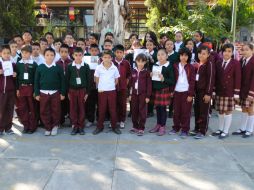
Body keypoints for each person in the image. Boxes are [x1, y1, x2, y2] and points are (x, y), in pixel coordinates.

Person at [212, 43, 241, 139]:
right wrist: (214, 90)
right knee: (220, 111)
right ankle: (220, 129)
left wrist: (236, 93)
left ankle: (226, 130)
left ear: (232, 53)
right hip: (220, 91)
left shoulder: (236, 63)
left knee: (228, 111)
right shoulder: (218, 62)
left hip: (230, 91)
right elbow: (216, 78)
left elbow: (237, 79)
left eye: (229, 51)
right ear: (221, 52)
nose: (226, 53)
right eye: (225, 51)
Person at [34, 48, 66, 136]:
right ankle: (47, 127)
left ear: (55, 56)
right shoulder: (40, 67)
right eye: (47, 55)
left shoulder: (58, 68)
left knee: (56, 110)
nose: (49, 57)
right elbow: (36, 81)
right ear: (44, 56)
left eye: (52, 55)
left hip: (55, 92)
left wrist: (62, 93)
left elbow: (63, 81)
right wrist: (36, 93)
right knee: (44, 110)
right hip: (43, 93)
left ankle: (55, 126)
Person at [93, 50, 121, 135]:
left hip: (112, 91)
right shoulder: (98, 67)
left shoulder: (114, 67)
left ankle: (114, 126)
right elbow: (96, 79)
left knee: (112, 109)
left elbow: (116, 80)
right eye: (105, 57)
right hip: (102, 91)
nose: (107, 59)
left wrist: (110, 86)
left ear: (112, 58)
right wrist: (102, 87)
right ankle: (99, 126)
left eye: (109, 57)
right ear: (102, 58)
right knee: (101, 109)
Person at [169, 47, 195, 138]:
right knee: (176, 111)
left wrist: (191, 94)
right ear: (179, 56)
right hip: (176, 92)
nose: (183, 57)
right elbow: (172, 79)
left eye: (185, 55)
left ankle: (185, 129)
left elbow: (192, 81)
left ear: (188, 57)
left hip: (186, 92)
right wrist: (171, 91)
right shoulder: (175, 65)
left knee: (186, 112)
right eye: (181, 55)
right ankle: (176, 127)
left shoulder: (191, 67)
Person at [190, 45, 215, 139]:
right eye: (200, 53)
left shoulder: (210, 64)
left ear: (208, 54)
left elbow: (211, 79)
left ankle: (202, 130)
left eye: (204, 53)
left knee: (204, 112)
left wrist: (208, 93)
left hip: (205, 92)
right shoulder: (198, 64)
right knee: (197, 111)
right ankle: (197, 128)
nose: (201, 55)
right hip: (197, 92)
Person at [149, 49, 175, 136]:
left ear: (167, 56)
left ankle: (162, 126)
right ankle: (158, 124)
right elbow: (152, 79)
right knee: (157, 108)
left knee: (163, 109)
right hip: (156, 90)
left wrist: (164, 79)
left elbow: (172, 80)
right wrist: (151, 75)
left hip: (164, 89)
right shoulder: (155, 65)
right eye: (158, 55)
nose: (160, 56)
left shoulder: (169, 66)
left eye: (162, 54)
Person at [66, 47, 90, 135]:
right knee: (73, 108)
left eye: (80, 55)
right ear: (73, 56)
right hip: (72, 90)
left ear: (83, 55)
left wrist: (87, 93)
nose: (78, 57)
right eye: (76, 55)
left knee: (82, 108)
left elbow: (88, 80)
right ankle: (74, 126)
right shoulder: (69, 66)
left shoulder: (86, 66)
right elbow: (67, 80)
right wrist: (68, 92)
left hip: (82, 90)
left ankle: (81, 126)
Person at [232, 43, 254, 138]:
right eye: (243, 50)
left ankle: (249, 130)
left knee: (250, 109)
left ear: (252, 51)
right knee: (244, 109)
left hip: (250, 91)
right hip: (243, 90)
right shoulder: (242, 60)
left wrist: (251, 93)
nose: (244, 51)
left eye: (247, 50)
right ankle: (242, 128)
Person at [16, 45, 38, 134]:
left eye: (26, 53)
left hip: (31, 87)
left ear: (30, 53)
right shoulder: (18, 64)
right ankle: (26, 125)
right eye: (23, 53)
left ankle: (32, 126)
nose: (24, 54)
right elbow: (16, 78)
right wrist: (17, 89)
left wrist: (35, 90)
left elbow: (36, 79)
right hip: (22, 87)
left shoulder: (34, 64)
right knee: (23, 108)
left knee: (32, 107)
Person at [129, 53, 152, 136]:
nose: (140, 63)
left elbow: (149, 85)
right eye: (139, 61)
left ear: (145, 62)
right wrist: (130, 94)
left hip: (143, 94)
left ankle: (141, 128)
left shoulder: (147, 72)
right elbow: (131, 84)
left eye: (142, 61)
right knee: (134, 110)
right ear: (136, 61)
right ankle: (135, 126)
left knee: (142, 111)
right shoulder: (133, 71)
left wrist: (148, 96)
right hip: (134, 94)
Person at [113, 44, 131, 129]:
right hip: (113, 87)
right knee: (114, 104)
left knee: (123, 104)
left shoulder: (126, 63)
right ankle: (114, 120)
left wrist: (126, 82)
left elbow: (129, 75)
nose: (119, 54)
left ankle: (122, 120)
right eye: (117, 52)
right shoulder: (111, 62)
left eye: (121, 52)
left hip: (123, 88)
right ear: (114, 53)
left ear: (123, 53)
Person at [0, 45, 16, 135]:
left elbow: (15, 78)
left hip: (11, 91)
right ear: (0, 54)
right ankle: (1, 128)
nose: (6, 55)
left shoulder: (13, 64)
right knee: (1, 109)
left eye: (8, 53)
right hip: (1, 91)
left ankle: (8, 127)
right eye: (4, 53)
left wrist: (14, 75)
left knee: (10, 109)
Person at [56, 44, 72, 125]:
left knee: (70, 105)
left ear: (68, 53)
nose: (64, 54)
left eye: (66, 52)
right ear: (59, 52)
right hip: (60, 88)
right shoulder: (56, 63)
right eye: (62, 52)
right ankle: (60, 121)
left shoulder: (72, 63)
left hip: (70, 87)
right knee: (60, 105)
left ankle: (72, 122)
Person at [85, 44, 100, 127]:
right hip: (90, 86)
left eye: (95, 50)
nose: (94, 52)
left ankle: (98, 119)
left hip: (99, 86)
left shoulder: (101, 60)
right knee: (90, 104)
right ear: (89, 51)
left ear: (98, 51)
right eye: (92, 50)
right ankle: (90, 120)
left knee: (99, 104)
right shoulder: (86, 60)